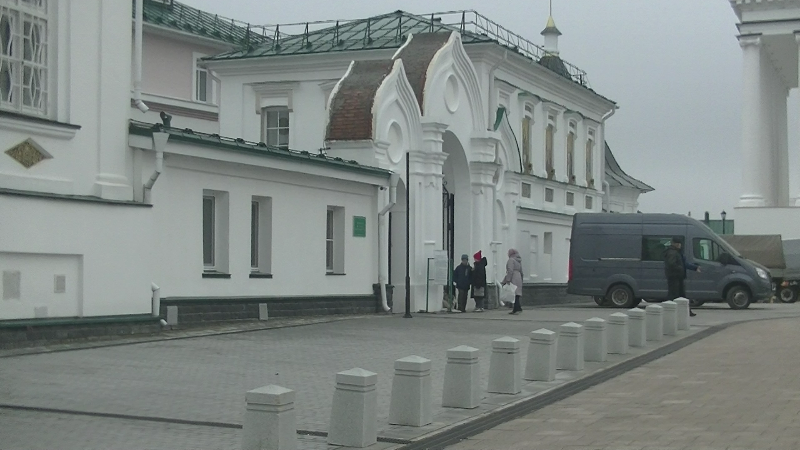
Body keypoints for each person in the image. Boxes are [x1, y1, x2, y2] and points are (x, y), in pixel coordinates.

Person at [664, 236, 701, 317]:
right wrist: (680, 268)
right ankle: (668, 311)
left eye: (680, 243)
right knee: (673, 296)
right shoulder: (672, 253)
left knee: (681, 296)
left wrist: (695, 267)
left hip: (678, 277)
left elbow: (685, 264)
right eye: (678, 243)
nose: (679, 245)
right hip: (674, 277)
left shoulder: (678, 252)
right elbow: (671, 264)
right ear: (674, 244)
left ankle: (687, 311)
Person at [501, 248, 524, 315]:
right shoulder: (518, 261)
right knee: (517, 294)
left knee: (513, 293)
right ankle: (517, 309)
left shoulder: (511, 260)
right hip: (518, 277)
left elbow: (510, 270)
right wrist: (521, 279)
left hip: (513, 277)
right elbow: (521, 271)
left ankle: (517, 309)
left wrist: (507, 280)